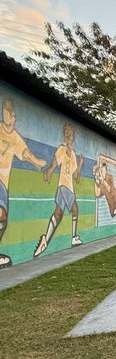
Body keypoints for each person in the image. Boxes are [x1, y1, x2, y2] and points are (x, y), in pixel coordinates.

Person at [0, 97, 47, 267]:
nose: (5, 118)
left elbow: (25, 153)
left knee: (3, 219)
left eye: (8, 115)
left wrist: (37, 163)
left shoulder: (15, 138)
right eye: (3, 114)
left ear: (13, 117)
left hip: (3, 183)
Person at [34, 123, 83, 257]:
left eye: (70, 133)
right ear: (64, 136)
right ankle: (74, 238)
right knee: (75, 210)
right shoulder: (61, 149)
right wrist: (48, 172)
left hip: (68, 187)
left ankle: (45, 241)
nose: (68, 135)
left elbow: (76, 177)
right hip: (64, 186)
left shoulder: (73, 154)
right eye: (66, 133)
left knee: (58, 214)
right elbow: (54, 163)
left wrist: (79, 165)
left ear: (73, 136)